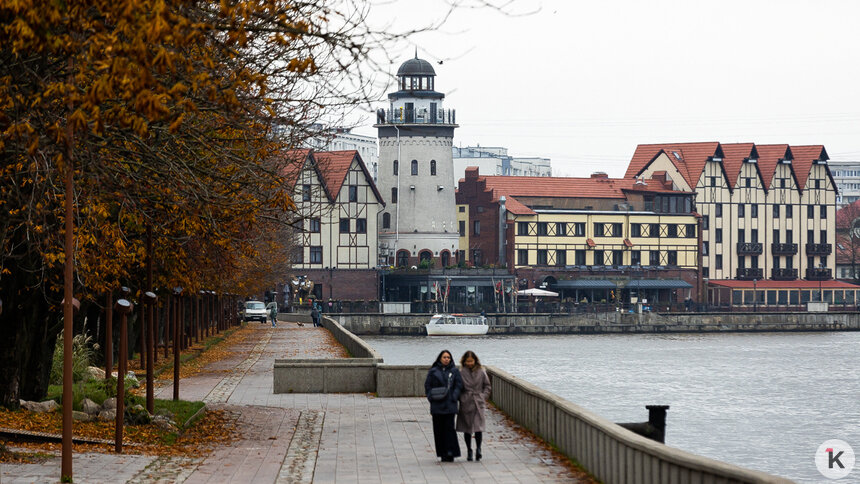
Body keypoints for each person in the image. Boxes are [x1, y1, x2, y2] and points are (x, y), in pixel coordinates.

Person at [425, 349, 463, 462]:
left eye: (448, 357)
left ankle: (451, 451)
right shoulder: (433, 371)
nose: (446, 359)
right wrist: (431, 397)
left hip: (449, 404)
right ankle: (442, 452)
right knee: (438, 429)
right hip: (437, 404)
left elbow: (459, 385)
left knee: (449, 429)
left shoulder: (454, 371)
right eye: (444, 357)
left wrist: (454, 396)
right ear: (440, 358)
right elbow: (428, 386)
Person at [456, 350, 491, 462]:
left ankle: (478, 448)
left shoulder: (481, 372)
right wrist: (461, 398)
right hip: (466, 402)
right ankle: (469, 450)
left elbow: (487, 386)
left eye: (471, 361)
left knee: (478, 427)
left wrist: (483, 396)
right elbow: (458, 387)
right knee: (467, 428)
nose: (470, 363)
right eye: (468, 361)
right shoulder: (461, 373)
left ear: (475, 360)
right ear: (464, 361)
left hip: (478, 402)